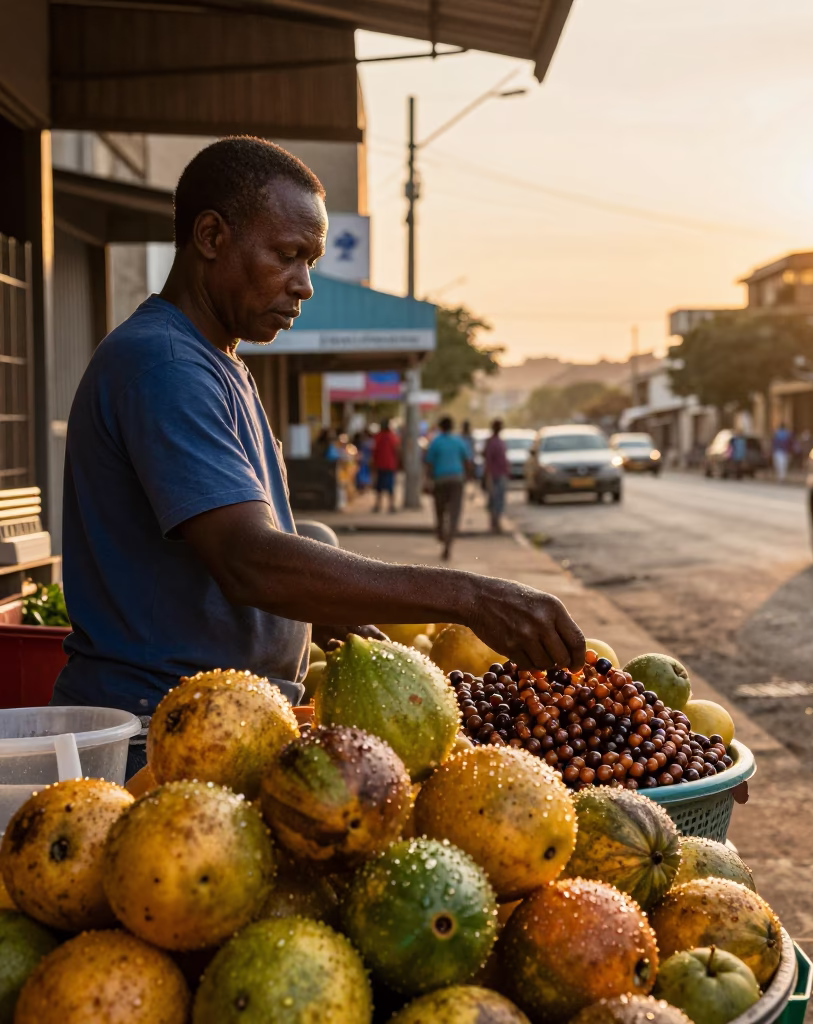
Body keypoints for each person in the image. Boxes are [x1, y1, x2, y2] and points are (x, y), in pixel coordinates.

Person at [55, 137, 586, 779]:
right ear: (212, 235)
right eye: (288, 256)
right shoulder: (163, 366)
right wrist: (467, 595)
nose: (305, 285)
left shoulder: (220, 365)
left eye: (311, 261)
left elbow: (263, 549)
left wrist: (353, 627)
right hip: (161, 739)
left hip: (232, 723)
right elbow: (249, 559)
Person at [426, 416, 469, 560]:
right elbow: (467, 460)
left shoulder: (436, 442)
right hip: (457, 480)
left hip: (440, 480)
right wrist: (468, 477)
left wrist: (428, 480)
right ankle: (448, 545)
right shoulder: (459, 441)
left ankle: (441, 534)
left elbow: (429, 463)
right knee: (454, 515)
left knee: (440, 512)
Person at [483, 419, 509, 534]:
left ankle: (496, 522)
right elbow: (488, 461)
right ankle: (494, 523)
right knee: (495, 500)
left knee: (499, 499)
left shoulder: (499, 441)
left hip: (501, 473)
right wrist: (488, 476)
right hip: (494, 475)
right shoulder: (492, 442)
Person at [373, 418, 400, 513]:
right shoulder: (392, 436)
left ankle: (378, 506)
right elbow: (396, 450)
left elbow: (375, 451)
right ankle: (391, 506)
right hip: (389, 465)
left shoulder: (378, 437)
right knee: (390, 487)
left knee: (379, 488)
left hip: (381, 465)